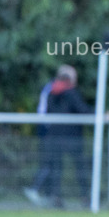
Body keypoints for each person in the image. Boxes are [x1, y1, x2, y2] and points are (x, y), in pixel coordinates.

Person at [44, 65, 92, 208]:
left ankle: (55, 196)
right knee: (80, 167)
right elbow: (82, 110)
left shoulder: (51, 93)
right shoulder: (71, 92)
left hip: (54, 136)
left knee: (56, 168)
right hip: (72, 137)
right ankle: (85, 197)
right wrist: (100, 113)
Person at [24, 75, 55, 206]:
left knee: (50, 163)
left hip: (45, 129)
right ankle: (34, 189)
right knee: (47, 162)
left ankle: (46, 193)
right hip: (46, 130)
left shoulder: (48, 89)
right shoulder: (52, 89)